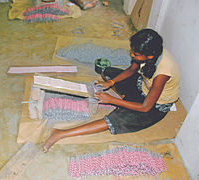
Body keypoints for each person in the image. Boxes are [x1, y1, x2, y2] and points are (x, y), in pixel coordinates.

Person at [43, 29, 180, 152]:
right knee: (107, 72)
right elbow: (132, 70)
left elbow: (145, 107)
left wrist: (112, 100)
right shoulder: (148, 52)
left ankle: (60, 133)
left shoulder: (163, 72)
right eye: (132, 51)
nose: (132, 55)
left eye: (136, 54)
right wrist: (111, 82)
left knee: (115, 120)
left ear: (149, 56)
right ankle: (125, 100)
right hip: (142, 87)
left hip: (154, 106)